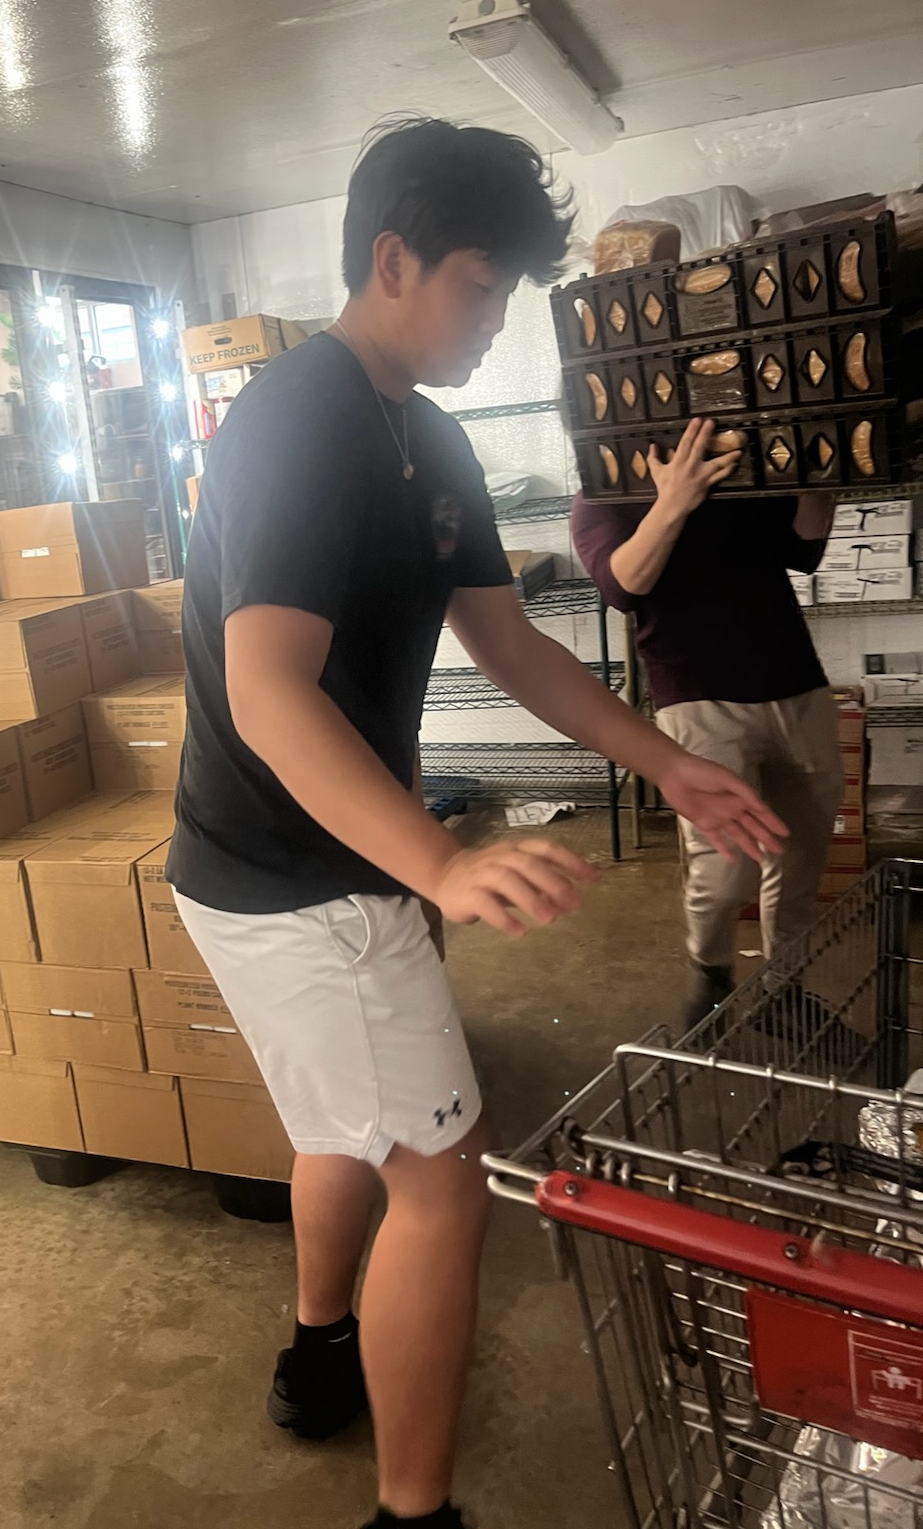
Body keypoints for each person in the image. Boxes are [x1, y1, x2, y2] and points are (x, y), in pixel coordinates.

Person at [166, 117, 784, 1529]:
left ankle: (321, 1350)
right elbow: (267, 693)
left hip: (315, 859)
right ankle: (414, 1513)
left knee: (349, 1129)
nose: (495, 318)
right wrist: (441, 861)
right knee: (444, 1182)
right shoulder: (301, 423)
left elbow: (512, 646)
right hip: (294, 875)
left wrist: (666, 763)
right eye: (480, 286)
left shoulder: (426, 434)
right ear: (393, 261)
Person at [572, 419, 841, 1030]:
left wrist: (819, 474)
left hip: (795, 680)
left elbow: (804, 551)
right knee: (724, 871)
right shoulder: (604, 491)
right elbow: (622, 584)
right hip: (698, 695)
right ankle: (712, 973)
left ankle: (783, 987)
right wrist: (673, 501)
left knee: (801, 857)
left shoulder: (740, 468)